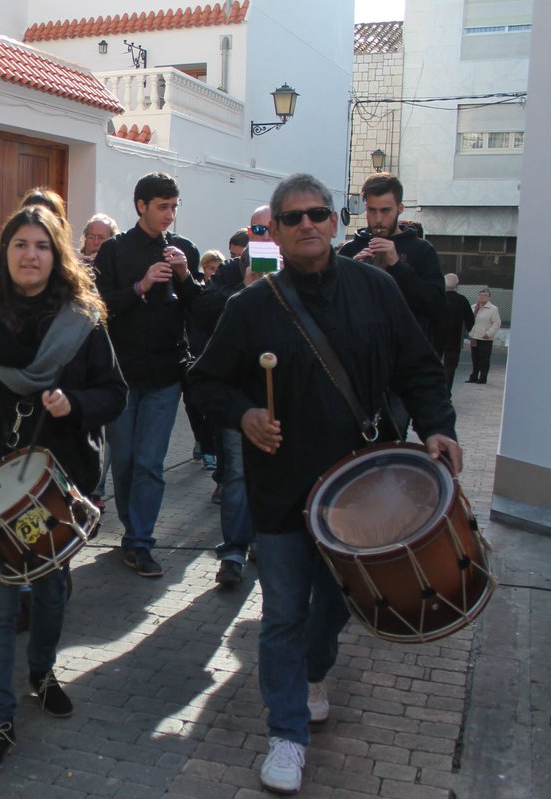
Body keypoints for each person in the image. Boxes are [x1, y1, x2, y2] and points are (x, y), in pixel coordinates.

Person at [189, 174, 460, 795]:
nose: (307, 224)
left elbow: (419, 367)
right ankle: (286, 735)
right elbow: (204, 382)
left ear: (335, 223)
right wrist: (244, 415)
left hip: (361, 487)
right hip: (282, 487)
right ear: (277, 232)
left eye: (317, 214)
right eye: (293, 217)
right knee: (283, 611)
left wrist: (438, 427)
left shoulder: (377, 289)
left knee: (340, 604)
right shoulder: (250, 306)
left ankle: (313, 674)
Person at [0, 205, 125, 774]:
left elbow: (114, 394)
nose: (30, 254)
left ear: (57, 254)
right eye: (20, 243)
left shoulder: (82, 318)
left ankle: (42, 673)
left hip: (60, 476)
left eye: (41, 245)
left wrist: (75, 406)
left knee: (49, 592)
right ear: (5, 251)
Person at [92, 172, 201, 578]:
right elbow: (98, 307)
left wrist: (185, 277)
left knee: (150, 463)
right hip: (121, 376)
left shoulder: (182, 250)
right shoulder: (115, 252)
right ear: (141, 206)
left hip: (165, 375)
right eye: (162, 207)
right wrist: (139, 287)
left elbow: (201, 309)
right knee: (123, 460)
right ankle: (131, 528)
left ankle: (140, 540)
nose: (170, 215)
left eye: (174, 207)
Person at [190, 206, 273, 587]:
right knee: (237, 474)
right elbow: (202, 311)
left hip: (284, 394)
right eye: (257, 228)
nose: (264, 235)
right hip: (239, 394)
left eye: (271, 228)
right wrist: (244, 289)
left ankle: (267, 542)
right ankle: (234, 551)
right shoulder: (230, 269)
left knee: (278, 473)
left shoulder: (301, 270)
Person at [338, 173, 444, 341]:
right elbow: (333, 308)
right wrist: (351, 272)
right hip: (360, 354)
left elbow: (435, 307)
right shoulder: (350, 249)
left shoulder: (421, 249)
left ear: (400, 208)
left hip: (405, 356)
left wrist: (397, 265)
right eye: (372, 210)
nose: (378, 219)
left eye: (385, 211)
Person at [184, 249, 225, 470]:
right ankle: (200, 439)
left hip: (210, 357)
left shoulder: (223, 294)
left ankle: (209, 450)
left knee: (208, 408)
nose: (213, 272)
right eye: (210, 268)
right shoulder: (198, 292)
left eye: (217, 268)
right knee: (191, 405)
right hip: (193, 354)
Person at [434, 274, 475, 391]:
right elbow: (470, 320)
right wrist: (466, 332)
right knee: (450, 367)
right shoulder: (462, 300)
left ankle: (433, 391)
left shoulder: (437, 298)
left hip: (436, 338)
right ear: (457, 285)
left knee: (433, 365)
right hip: (454, 339)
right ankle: (446, 393)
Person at [466, 288, 502, 384]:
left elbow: (497, 323)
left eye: (485, 295)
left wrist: (489, 333)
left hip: (485, 338)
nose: (482, 297)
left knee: (484, 359)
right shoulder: (473, 307)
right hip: (474, 337)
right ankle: (473, 376)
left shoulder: (493, 309)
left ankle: (482, 378)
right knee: (475, 358)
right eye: (480, 295)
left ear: (489, 297)